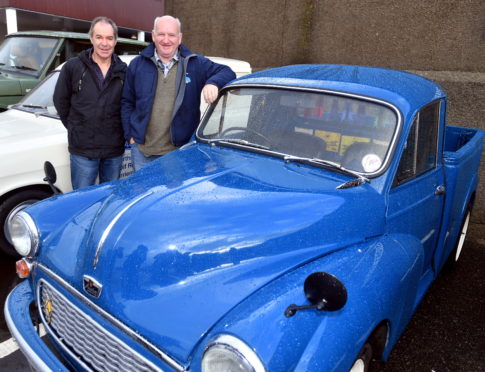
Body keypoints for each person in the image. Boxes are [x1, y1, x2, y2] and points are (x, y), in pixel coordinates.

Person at [121, 15, 236, 171]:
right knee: (147, 195)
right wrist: (131, 137)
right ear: (153, 36)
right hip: (143, 152)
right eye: (161, 34)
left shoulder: (195, 64)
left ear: (179, 38)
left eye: (171, 35)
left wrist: (212, 83)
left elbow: (227, 71)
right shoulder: (137, 65)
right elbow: (127, 101)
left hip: (179, 154)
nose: (166, 40)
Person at [53, 16, 127, 189]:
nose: (104, 43)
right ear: (91, 38)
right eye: (99, 37)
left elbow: (128, 105)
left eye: (109, 38)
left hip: (113, 150)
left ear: (115, 41)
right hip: (83, 149)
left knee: (110, 198)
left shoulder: (124, 71)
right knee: (82, 200)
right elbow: (60, 101)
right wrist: (76, 127)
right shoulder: (72, 67)